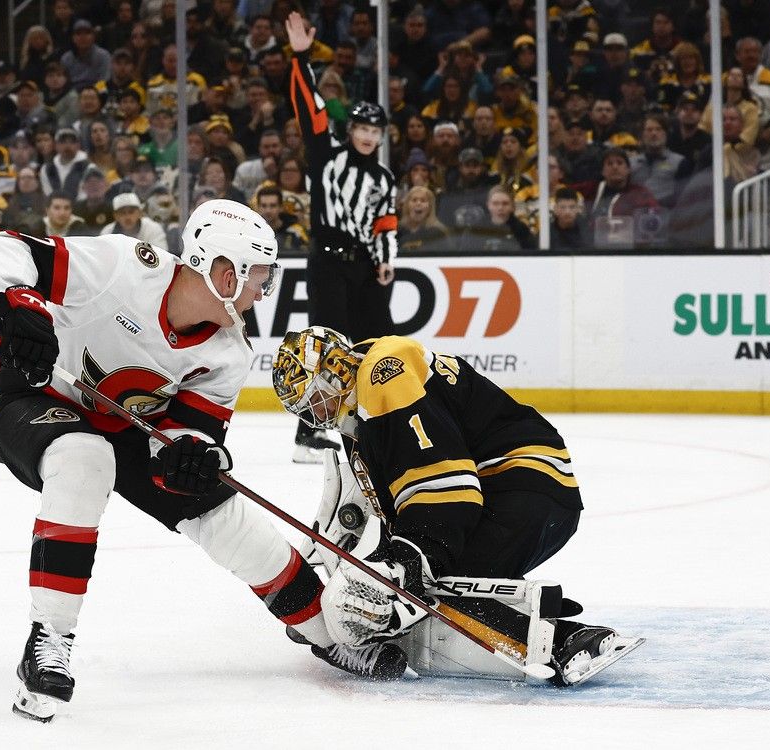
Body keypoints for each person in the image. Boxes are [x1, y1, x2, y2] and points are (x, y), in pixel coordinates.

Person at [0, 200, 340, 721]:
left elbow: (191, 433)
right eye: (258, 275)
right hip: (38, 399)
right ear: (222, 270)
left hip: (129, 432)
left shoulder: (230, 352)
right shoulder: (123, 268)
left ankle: (330, 629)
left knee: (223, 517)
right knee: (85, 455)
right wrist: (16, 306)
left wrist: (190, 455)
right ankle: (47, 642)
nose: (263, 290)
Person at [271, 326, 642, 684]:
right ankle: (536, 621)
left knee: (431, 584)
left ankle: (564, 642)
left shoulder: (384, 372)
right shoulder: (366, 419)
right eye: (304, 410)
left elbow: (445, 488)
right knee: (423, 578)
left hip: (525, 482)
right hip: (513, 490)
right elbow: (382, 510)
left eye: (316, 398)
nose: (315, 417)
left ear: (336, 375)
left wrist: (413, 559)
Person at [286, 11, 397, 463]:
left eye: (376, 130)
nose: (369, 137)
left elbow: (385, 222)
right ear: (349, 130)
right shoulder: (327, 156)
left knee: (381, 343)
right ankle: (308, 433)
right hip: (328, 261)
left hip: (364, 266)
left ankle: (379, 422)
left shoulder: (385, 177)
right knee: (329, 345)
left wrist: (387, 259)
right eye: (363, 129)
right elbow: (308, 106)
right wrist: (300, 56)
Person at [100, 191, 168, 248]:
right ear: (115, 216)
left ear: (140, 213)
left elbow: (161, 257)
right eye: (122, 213)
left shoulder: (153, 228)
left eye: (131, 212)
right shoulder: (107, 233)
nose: (127, 217)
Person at [397, 186, 448, 254]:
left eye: (423, 200)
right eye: (414, 200)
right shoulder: (397, 231)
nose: (418, 203)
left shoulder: (438, 233)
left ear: (430, 207)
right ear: (407, 206)